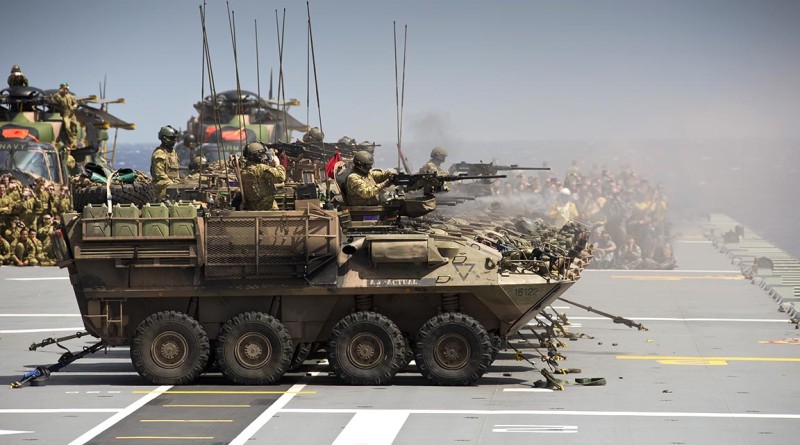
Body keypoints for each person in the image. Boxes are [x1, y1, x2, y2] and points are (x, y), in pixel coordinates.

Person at [239, 142, 286, 210]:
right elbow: (281, 177)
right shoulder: (260, 168)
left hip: (252, 208)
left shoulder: (243, 171)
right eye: (262, 155)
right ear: (258, 156)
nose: (264, 157)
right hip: (268, 208)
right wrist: (277, 164)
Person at [150, 125, 181, 200]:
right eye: (171, 138)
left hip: (172, 188)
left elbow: (176, 173)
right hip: (162, 189)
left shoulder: (172, 152)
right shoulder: (159, 153)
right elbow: (160, 175)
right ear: (164, 139)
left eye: (174, 138)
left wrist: (178, 185)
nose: (174, 141)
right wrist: (173, 185)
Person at [51, 82, 79, 150]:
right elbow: (53, 99)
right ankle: (71, 140)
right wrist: (59, 92)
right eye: (64, 88)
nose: (66, 90)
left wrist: (75, 105)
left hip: (72, 114)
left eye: (66, 89)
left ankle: (74, 142)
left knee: (74, 127)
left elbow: (75, 103)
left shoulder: (70, 96)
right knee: (67, 127)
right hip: (66, 113)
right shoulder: (58, 96)